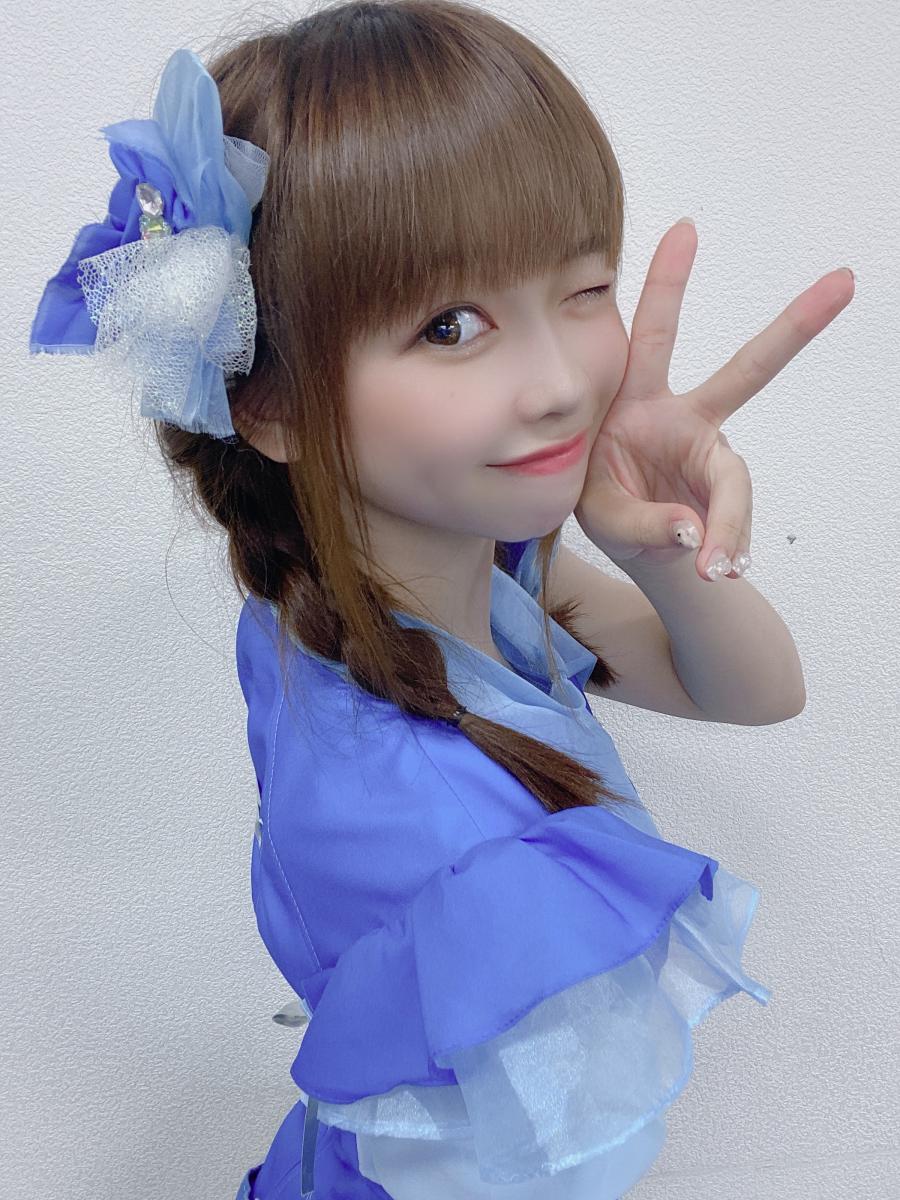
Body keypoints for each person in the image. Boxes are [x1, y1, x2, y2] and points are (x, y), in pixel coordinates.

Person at [29, 3, 854, 1197]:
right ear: (272, 405)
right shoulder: (451, 842)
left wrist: (661, 544)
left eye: (584, 286)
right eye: (451, 325)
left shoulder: (368, 579)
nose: (560, 384)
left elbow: (755, 692)